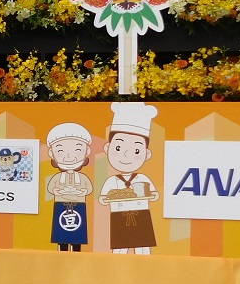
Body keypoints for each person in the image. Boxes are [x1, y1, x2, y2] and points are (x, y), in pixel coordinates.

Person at [97, 102, 159, 254]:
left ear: (147, 154)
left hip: (141, 216)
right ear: (107, 148)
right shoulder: (112, 181)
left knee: (143, 249)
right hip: (119, 217)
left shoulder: (142, 178)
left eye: (136, 150)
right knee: (120, 250)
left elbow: (154, 194)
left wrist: (153, 195)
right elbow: (102, 198)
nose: (126, 155)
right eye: (118, 148)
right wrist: (105, 198)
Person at [46, 122, 94, 252]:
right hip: (60, 205)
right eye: (60, 151)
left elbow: (89, 189)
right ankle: (61, 252)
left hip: (79, 205)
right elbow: (51, 188)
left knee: (77, 236)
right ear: (52, 153)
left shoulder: (82, 177)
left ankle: (76, 253)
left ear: (87, 151)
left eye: (77, 150)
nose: (69, 157)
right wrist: (56, 190)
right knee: (61, 236)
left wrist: (83, 191)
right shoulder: (57, 177)